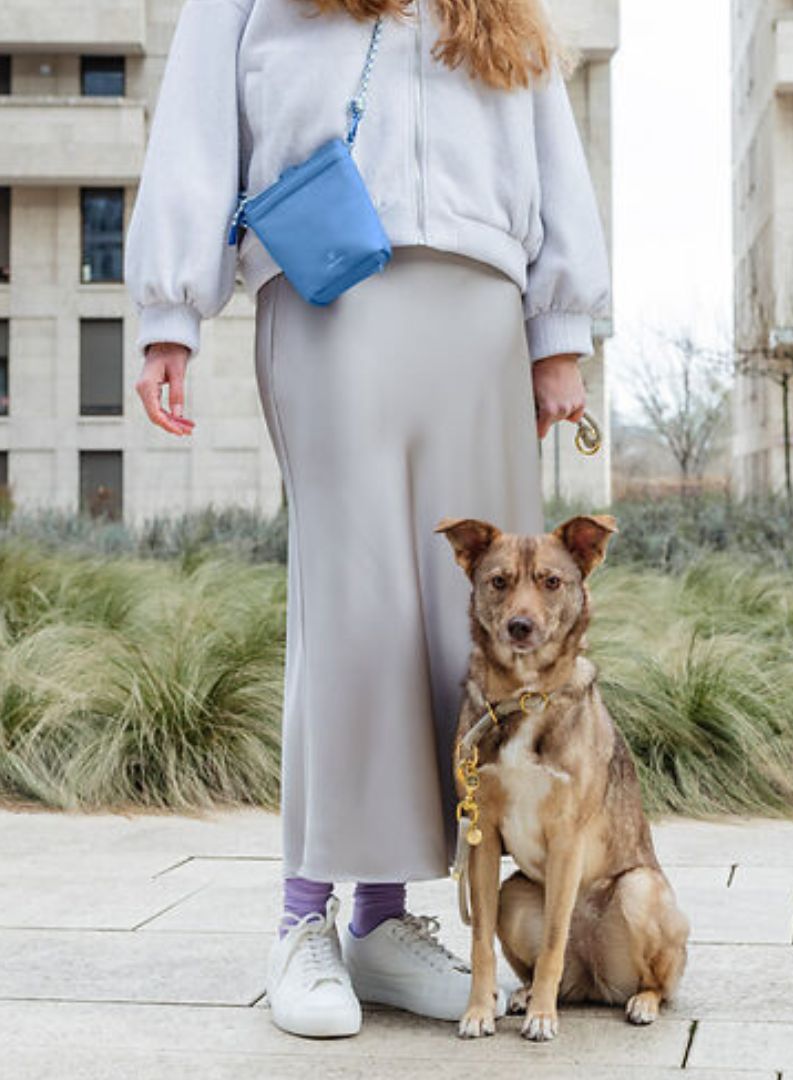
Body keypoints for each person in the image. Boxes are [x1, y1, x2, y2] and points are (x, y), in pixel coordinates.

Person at [123, 0, 611, 1041]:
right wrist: (169, 310)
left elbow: (545, 130)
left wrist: (558, 330)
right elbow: (200, 118)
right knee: (352, 611)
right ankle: (306, 917)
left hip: (483, 302)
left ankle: (386, 923)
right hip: (331, 286)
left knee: (458, 629)